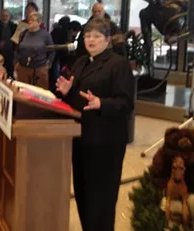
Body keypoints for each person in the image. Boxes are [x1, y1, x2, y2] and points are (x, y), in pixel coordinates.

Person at [55, 18, 134, 231]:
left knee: (101, 197)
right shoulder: (81, 62)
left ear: (107, 40)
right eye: (88, 35)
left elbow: (126, 103)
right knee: (83, 192)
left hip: (106, 141)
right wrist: (67, 91)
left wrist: (102, 103)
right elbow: (79, 98)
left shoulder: (118, 64)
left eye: (97, 36)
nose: (91, 40)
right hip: (81, 136)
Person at [15, 12, 54, 89]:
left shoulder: (45, 35)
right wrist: (16, 62)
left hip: (40, 68)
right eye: (29, 20)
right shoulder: (23, 33)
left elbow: (52, 51)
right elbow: (18, 49)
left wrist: (48, 65)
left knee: (40, 92)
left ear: (39, 22)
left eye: (33, 20)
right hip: (23, 67)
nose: (30, 22)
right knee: (22, 91)